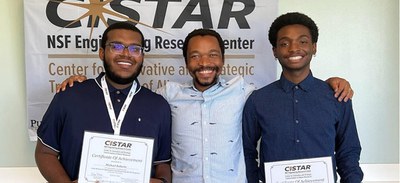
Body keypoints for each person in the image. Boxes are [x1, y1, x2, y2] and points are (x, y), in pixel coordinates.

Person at [56, 29, 354, 182]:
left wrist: (331, 82)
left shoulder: (246, 93)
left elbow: (286, 93)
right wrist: (83, 82)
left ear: (223, 59)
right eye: (196, 56)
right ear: (186, 62)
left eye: (212, 55)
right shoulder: (165, 95)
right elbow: (124, 91)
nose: (205, 63)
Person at [35, 22, 172, 183]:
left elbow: (162, 163)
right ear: (101, 52)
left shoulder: (158, 106)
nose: (126, 54)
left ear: (142, 56)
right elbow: (45, 153)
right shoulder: (70, 96)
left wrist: (162, 182)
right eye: (117, 47)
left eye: (135, 49)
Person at [242, 12, 363, 183]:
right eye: (284, 43)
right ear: (275, 51)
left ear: (314, 47)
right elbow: (246, 151)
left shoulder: (337, 97)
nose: (293, 48)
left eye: (303, 41)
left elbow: (348, 151)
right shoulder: (257, 100)